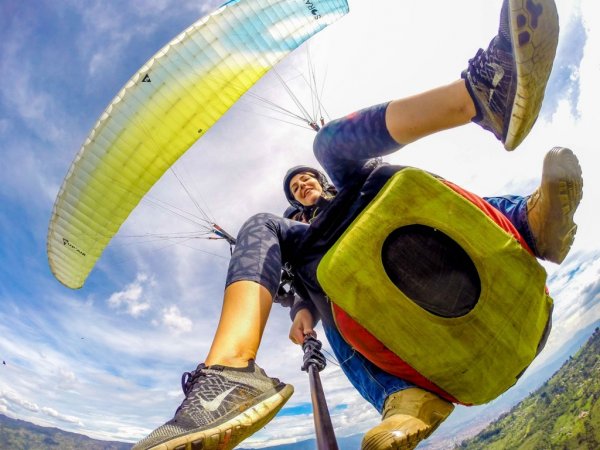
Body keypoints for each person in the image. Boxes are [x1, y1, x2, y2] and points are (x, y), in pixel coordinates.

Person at [132, 1, 583, 449]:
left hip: (392, 214)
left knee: (338, 147)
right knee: (263, 229)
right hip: (343, 280)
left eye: (307, 178)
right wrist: (301, 319)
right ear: (295, 206)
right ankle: (250, 377)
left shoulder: (350, 177)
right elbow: (301, 301)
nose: (304, 184)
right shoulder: (293, 238)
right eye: (296, 189)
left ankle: (501, 138)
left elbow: (424, 200)